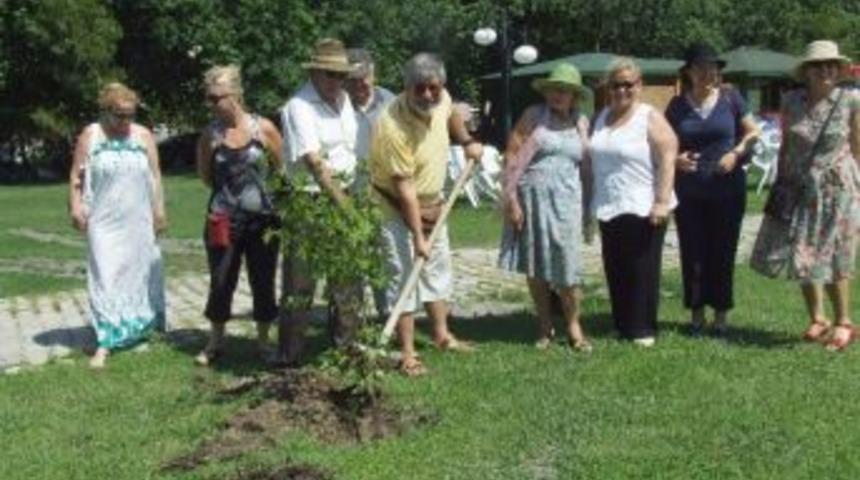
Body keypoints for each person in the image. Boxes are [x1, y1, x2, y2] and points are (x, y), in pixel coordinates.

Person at [369, 53, 482, 376]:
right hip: (394, 206)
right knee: (403, 276)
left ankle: (442, 335)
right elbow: (403, 187)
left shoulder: (441, 98)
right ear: (406, 89)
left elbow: (452, 114)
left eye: (434, 87)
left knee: (436, 271)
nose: (429, 95)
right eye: (421, 89)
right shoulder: (391, 125)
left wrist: (466, 141)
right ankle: (407, 353)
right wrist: (418, 236)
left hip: (435, 202)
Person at [759, 40, 860, 350]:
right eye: (819, 65)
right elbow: (787, 143)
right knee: (801, 251)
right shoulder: (791, 101)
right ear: (806, 72)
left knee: (833, 253)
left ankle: (844, 322)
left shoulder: (850, 100)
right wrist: (781, 181)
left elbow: (857, 147)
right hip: (799, 186)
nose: (826, 70)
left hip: (837, 188)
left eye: (832, 65)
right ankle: (818, 317)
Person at [68, 82, 167, 369]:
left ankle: (135, 332)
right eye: (119, 115)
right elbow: (76, 175)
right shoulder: (92, 135)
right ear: (106, 111)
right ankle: (105, 340)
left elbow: (155, 176)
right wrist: (75, 206)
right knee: (106, 275)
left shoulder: (143, 135)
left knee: (137, 274)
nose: (126, 121)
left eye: (130, 115)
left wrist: (159, 210)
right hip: (104, 220)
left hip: (138, 218)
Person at [665, 43, 760, 336]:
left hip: (727, 191)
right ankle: (696, 316)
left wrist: (737, 152)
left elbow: (753, 132)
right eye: (701, 68)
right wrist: (676, 158)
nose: (708, 73)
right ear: (689, 72)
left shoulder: (731, 99)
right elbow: (664, 143)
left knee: (723, 250)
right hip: (689, 191)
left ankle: (720, 317)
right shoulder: (677, 106)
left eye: (713, 68)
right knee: (692, 250)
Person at [277, 38, 362, 365]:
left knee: (347, 278)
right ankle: (290, 358)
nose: (337, 81)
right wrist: (345, 207)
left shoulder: (342, 100)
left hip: (346, 192)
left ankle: (346, 350)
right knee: (300, 282)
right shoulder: (298, 106)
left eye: (341, 75)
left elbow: (349, 151)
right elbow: (314, 162)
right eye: (330, 74)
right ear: (314, 73)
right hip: (309, 200)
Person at [498, 63, 592, 352]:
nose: (557, 95)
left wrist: (589, 206)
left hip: (567, 203)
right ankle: (544, 326)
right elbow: (512, 156)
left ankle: (574, 326)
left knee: (568, 266)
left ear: (574, 96)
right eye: (553, 89)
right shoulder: (533, 116)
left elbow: (586, 166)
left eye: (564, 91)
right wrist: (512, 201)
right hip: (533, 201)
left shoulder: (582, 122)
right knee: (536, 266)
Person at [195, 65, 284, 366]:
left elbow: (280, 169)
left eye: (216, 97)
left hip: (263, 218)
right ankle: (216, 341)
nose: (212, 104)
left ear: (235, 95)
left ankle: (263, 342)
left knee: (263, 279)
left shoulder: (264, 129)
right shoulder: (210, 135)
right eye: (208, 98)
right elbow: (206, 177)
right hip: (222, 217)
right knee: (221, 280)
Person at [590, 57, 678, 347]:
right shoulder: (601, 117)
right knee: (615, 267)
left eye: (628, 84)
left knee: (642, 268)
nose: (621, 90)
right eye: (615, 85)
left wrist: (662, 201)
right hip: (609, 204)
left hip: (643, 203)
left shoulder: (648, 116)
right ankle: (622, 323)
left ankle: (642, 329)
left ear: (639, 86)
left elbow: (668, 154)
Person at [345, 48, 396, 162]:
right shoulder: (336, 105)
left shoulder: (391, 103)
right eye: (352, 79)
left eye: (362, 78)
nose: (358, 84)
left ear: (372, 74)